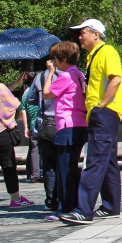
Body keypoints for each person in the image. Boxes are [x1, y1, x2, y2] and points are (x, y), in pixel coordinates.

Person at [60, 19, 122, 225]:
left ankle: (83, 209)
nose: (80, 37)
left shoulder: (107, 52)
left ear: (96, 34)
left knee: (95, 160)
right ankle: (111, 205)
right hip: (101, 114)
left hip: (104, 113)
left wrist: (102, 104)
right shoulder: (93, 57)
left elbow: (116, 79)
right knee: (108, 160)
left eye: (83, 33)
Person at [42, 42, 88, 221]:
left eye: (55, 58)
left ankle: (64, 208)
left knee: (64, 169)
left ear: (61, 59)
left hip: (67, 125)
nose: (53, 61)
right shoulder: (78, 73)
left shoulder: (65, 76)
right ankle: (75, 204)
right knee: (72, 168)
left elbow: (46, 94)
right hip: (79, 124)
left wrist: (51, 73)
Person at [0, 64, 35, 209]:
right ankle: (15, 198)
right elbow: (12, 103)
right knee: (8, 166)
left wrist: (18, 82)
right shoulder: (0, 87)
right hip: (0, 133)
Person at [28, 67, 59, 211]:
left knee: (48, 166)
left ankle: (51, 200)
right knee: (65, 164)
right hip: (64, 123)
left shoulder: (40, 77)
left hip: (45, 124)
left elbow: (31, 99)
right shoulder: (70, 73)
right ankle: (66, 199)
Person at [19, 73, 41, 183]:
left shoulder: (25, 94)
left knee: (34, 149)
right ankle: (41, 172)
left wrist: (25, 127)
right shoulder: (41, 91)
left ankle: (33, 173)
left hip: (32, 125)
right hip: (44, 123)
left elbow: (23, 112)